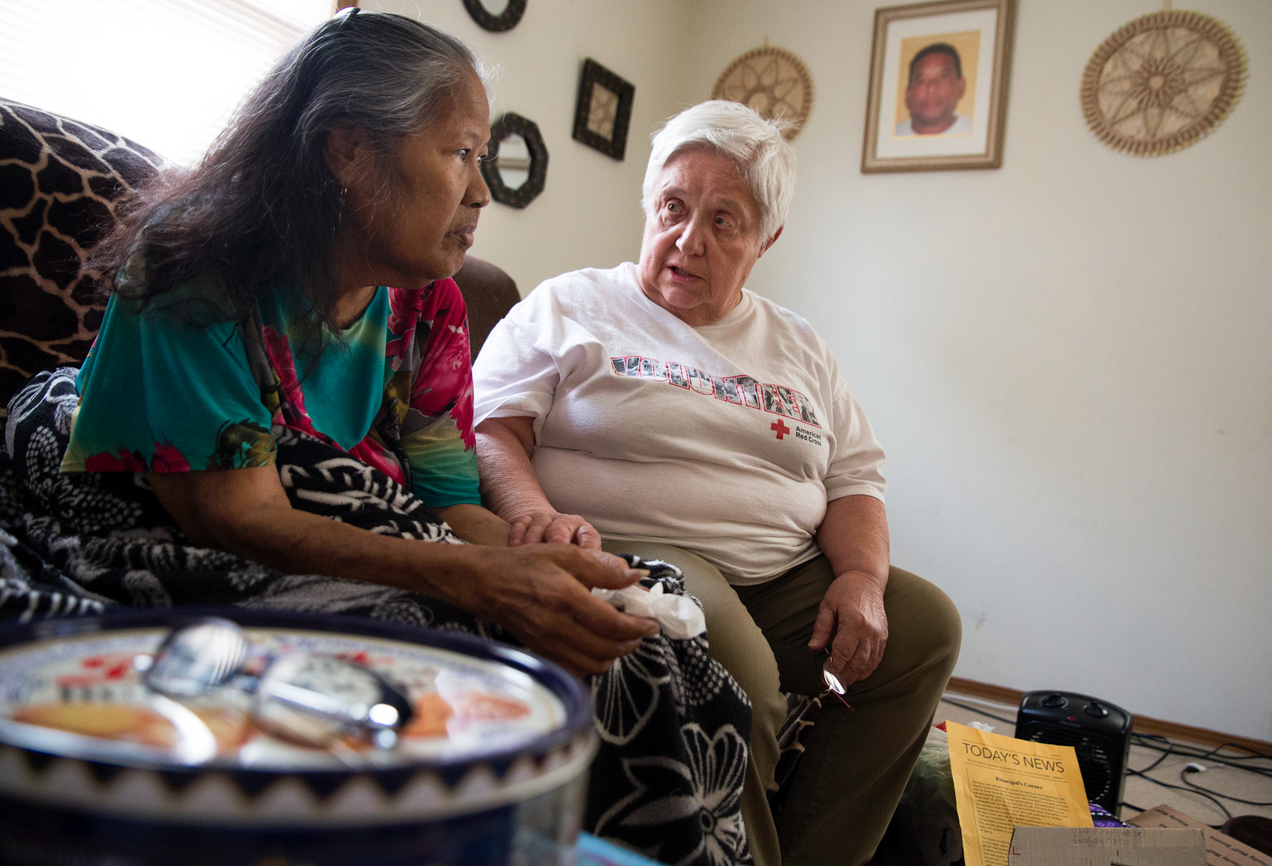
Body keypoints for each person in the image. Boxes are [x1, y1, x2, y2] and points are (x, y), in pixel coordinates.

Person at [58, 9, 660, 678]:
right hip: (166, 528)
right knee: (469, 649)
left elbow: (448, 502)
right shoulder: (197, 267)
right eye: (460, 152)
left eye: (482, 158)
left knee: (642, 636)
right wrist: (484, 577)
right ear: (346, 149)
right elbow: (238, 519)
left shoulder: (430, 306)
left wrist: (545, 556)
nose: (484, 192)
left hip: (326, 534)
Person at [473, 100, 962, 866]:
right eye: (673, 207)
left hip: (782, 572)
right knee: (735, 655)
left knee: (925, 626)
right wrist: (533, 514)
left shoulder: (799, 344)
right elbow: (493, 429)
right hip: (642, 551)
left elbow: (854, 478)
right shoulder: (570, 304)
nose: (688, 239)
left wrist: (863, 577)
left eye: (724, 221)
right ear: (649, 205)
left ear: (766, 238)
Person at [896, 43, 971, 136]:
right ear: (908, 95)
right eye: (922, 81)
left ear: (961, 86)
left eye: (943, 77)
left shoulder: (978, 132)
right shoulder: (889, 136)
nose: (932, 88)